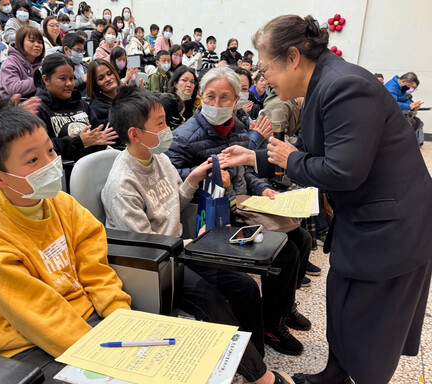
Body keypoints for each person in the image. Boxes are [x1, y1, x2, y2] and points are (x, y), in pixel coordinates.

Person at [222, 15, 432, 384]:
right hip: (367, 221)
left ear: (291, 57)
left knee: (372, 323)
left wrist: (292, 158)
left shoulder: (344, 86)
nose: (263, 78)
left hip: (392, 228)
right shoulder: (324, 86)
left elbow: (344, 170)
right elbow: (308, 152)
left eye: (265, 67)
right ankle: (334, 375)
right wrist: (253, 157)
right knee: (343, 303)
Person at [101, 86, 294, 384]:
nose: (168, 130)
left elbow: (171, 207)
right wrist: (194, 246)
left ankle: (253, 361)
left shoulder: (159, 158)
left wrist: (191, 180)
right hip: (159, 264)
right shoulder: (122, 183)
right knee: (214, 301)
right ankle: (261, 377)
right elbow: (147, 244)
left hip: (180, 250)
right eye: (160, 124)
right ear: (135, 134)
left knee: (243, 287)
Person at [0, 98, 131, 379]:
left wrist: (119, 314)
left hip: (82, 317)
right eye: (32, 160)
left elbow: (95, 267)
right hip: (22, 346)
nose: (51, 164)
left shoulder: (61, 203)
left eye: (51, 150)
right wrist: (106, 355)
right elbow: (40, 315)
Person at [166, 67, 312, 357]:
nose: (217, 104)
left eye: (225, 98)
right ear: (200, 98)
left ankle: (282, 308)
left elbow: (246, 171)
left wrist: (263, 189)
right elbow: (172, 177)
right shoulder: (183, 136)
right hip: (215, 208)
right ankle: (271, 323)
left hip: (243, 200)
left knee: (302, 238)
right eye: (211, 96)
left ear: (235, 101)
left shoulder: (239, 129)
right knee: (285, 252)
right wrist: (211, 173)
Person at [34, 54, 117, 161]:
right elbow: (42, 148)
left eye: (72, 78)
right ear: (46, 80)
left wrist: (99, 140)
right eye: (63, 79)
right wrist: (79, 141)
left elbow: (96, 137)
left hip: (92, 165)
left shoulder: (81, 104)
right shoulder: (39, 108)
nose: (69, 83)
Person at [0, 25, 44, 98]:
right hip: (13, 106)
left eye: (40, 42)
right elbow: (14, 89)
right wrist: (42, 80)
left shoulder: (42, 64)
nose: (37, 45)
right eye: (32, 41)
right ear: (20, 42)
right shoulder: (10, 63)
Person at [86, 59, 120, 128]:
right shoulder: (97, 107)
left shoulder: (125, 94)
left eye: (109, 73)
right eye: (101, 78)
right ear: (95, 84)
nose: (107, 79)